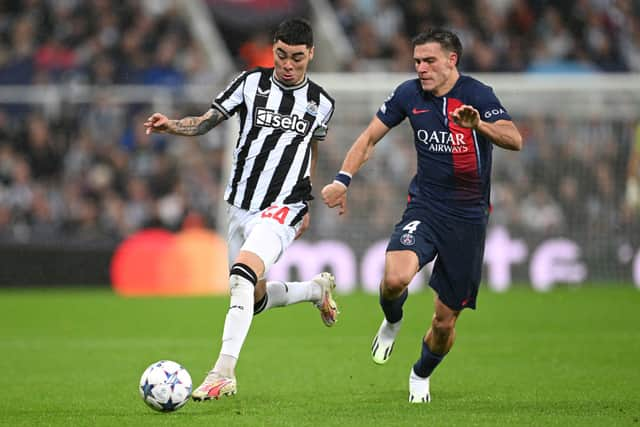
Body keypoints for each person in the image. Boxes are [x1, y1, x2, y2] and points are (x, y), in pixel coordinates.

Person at [322, 29, 522, 403]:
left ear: (451, 60)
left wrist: (478, 124)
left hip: (468, 218)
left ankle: (420, 373)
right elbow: (368, 138)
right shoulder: (407, 94)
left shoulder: (477, 95)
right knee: (394, 279)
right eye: (416, 61)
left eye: (429, 61)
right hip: (426, 206)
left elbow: (515, 139)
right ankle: (393, 320)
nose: (421, 68)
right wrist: (342, 180)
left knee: (444, 323)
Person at [144, 18, 338, 401]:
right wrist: (172, 127)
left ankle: (222, 372)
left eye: (297, 58)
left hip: (284, 206)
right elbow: (207, 120)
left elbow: (311, 150)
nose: (287, 65)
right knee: (255, 297)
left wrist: (306, 200)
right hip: (240, 206)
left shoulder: (321, 104)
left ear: (310, 55)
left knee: (241, 275)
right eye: (281, 55)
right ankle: (315, 290)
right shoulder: (250, 84)